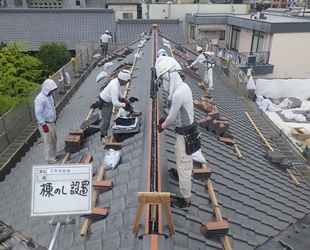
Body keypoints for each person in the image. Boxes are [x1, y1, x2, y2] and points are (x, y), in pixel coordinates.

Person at [156, 60, 198, 211]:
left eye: (162, 78)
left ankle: (186, 201)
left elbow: (172, 117)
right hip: (186, 133)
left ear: (168, 75)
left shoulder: (179, 93)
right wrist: (165, 121)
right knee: (179, 157)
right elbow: (176, 116)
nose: (163, 82)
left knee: (184, 166)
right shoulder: (183, 87)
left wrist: (162, 125)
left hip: (185, 136)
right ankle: (179, 176)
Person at [98, 69, 134, 144]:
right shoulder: (114, 86)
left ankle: (132, 112)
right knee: (106, 120)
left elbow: (118, 93)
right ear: (123, 80)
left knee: (124, 101)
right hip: (105, 102)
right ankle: (102, 137)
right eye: (127, 81)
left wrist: (123, 99)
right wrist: (125, 104)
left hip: (110, 99)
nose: (127, 83)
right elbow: (115, 103)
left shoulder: (117, 81)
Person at [34, 79, 58, 164]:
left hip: (51, 122)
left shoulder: (49, 96)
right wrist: (43, 124)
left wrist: (55, 114)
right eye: (51, 90)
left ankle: (54, 154)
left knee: (53, 139)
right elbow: (38, 113)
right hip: (45, 123)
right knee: (48, 141)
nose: (52, 92)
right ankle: (50, 158)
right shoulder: (40, 99)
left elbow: (51, 107)